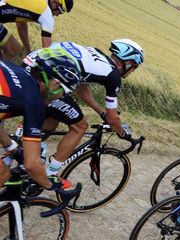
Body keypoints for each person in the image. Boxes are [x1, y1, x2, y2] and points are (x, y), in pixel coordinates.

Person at [23, 39, 144, 176]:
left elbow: (82, 89)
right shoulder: (113, 75)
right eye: (135, 67)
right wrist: (122, 133)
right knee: (80, 126)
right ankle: (50, 174)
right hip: (46, 80)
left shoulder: (96, 53)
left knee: (53, 119)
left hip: (31, 64)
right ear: (128, 63)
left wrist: (101, 113)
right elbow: (113, 117)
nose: (133, 71)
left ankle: (24, 149)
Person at [0, 47, 80, 189]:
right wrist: (49, 185)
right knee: (3, 174)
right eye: (65, 92)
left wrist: (12, 148)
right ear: (55, 84)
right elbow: (32, 165)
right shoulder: (33, 102)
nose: (62, 97)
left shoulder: (15, 70)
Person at [0, 0, 73, 60]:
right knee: (14, 49)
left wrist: (28, 51)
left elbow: (21, 27)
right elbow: (46, 51)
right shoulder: (46, 14)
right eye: (60, 11)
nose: (57, 15)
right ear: (55, 4)